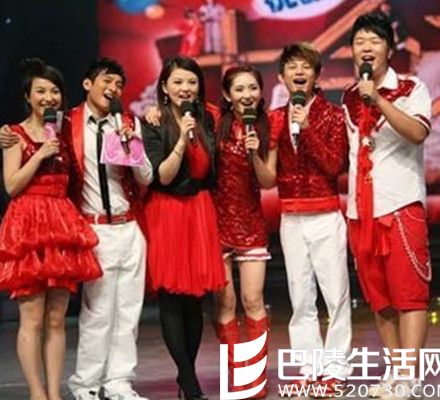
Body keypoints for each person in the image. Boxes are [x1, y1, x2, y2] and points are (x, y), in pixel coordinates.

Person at [2, 58, 154, 400]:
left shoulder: (128, 122)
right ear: (88, 84)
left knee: (128, 312)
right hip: (88, 227)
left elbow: (146, 178)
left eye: (119, 84)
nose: (113, 89)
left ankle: (119, 383)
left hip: (129, 225)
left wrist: (134, 147)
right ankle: (86, 384)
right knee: (96, 312)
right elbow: (26, 143)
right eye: (107, 81)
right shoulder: (66, 122)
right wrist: (8, 136)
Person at [253, 43, 353, 395]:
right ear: (282, 77)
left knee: (336, 297)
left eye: (305, 66)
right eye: (292, 67)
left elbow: (334, 165)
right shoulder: (274, 119)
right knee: (301, 298)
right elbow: (269, 176)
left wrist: (307, 128)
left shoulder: (333, 115)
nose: (299, 72)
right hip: (292, 218)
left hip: (326, 215)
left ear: (316, 74)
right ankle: (309, 369)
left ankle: (335, 371)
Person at [0, 58, 102, 400]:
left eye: (54, 91)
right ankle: (37, 393)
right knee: (31, 318)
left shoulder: (65, 130)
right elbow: (12, 185)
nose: (48, 97)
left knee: (57, 319)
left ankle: (55, 394)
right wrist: (40, 153)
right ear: (27, 96)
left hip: (60, 222)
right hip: (28, 225)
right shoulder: (13, 134)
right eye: (40, 91)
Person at [343, 11, 432, 399]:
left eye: (374, 41)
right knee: (379, 300)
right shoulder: (349, 96)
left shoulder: (412, 87)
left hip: (400, 205)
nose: (366, 47)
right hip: (360, 212)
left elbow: (417, 133)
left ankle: (410, 377)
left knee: (409, 296)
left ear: (389, 50)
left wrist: (378, 99)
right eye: (359, 41)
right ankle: (395, 373)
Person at [143, 55, 226, 400]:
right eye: (177, 82)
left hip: (199, 210)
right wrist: (181, 139)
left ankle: (186, 377)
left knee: (195, 299)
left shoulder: (207, 118)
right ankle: (189, 381)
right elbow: (161, 176)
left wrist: (195, 131)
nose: (185, 88)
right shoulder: (154, 121)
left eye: (191, 82)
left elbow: (209, 170)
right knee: (172, 298)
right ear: (164, 87)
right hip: (167, 211)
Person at [213, 65, 271, 398]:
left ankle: (255, 377)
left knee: (252, 299)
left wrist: (254, 153)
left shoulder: (267, 126)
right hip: (216, 223)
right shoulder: (215, 123)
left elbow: (268, 181)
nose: (247, 95)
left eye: (253, 88)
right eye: (239, 89)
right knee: (226, 303)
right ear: (227, 94)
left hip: (251, 223)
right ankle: (237, 375)